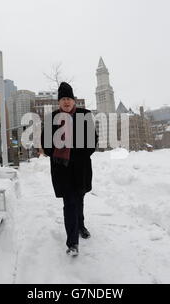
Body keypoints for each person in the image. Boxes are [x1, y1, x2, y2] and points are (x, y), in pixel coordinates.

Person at [41, 82, 98, 256]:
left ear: (74, 101)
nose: (66, 102)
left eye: (69, 98)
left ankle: (80, 225)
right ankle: (72, 243)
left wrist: (73, 150)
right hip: (62, 169)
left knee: (79, 199)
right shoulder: (51, 119)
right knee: (69, 203)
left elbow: (92, 142)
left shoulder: (85, 115)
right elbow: (46, 144)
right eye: (63, 99)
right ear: (59, 102)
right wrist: (59, 150)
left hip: (80, 168)